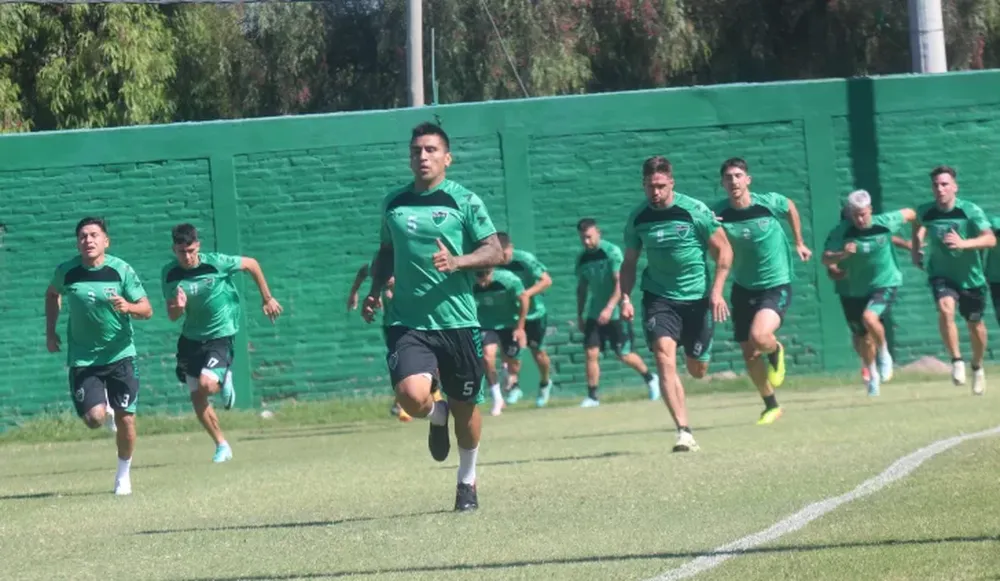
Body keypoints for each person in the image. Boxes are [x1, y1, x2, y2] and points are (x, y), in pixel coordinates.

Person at [361, 122, 505, 512]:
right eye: (416, 151)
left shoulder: (465, 200)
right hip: (407, 321)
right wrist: (374, 291)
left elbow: (495, 252)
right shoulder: (393, 203)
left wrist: (458, 261)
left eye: (430, 150)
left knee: (466, 411)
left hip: (458, 322)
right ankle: (433, 411)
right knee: (410, 396)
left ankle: (467, 480)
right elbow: (386, 252)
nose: (422, 157)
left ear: (447, 157)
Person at [620, 156, 733, 453]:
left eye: (660, 186)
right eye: (649, 186)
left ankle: (698, 355)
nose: (654, 192)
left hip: (697, 298)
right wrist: (625, 297)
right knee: (663, 355)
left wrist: (717, 292)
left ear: (671, 183)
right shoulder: (638, 217)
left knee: (697, 370)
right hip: (659, 297)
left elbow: (724, 251)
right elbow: (629, 262)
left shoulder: (694, 211)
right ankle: (684, 431)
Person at [45, 217, 153, 496]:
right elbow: (52, 293)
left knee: (127, 418)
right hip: (84, 359)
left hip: (121, 355)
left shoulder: (121, 270)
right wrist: (50, 330)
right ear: (77, 242)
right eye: (82, 236)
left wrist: (128, 306)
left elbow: (147, 309)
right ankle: (104, 409)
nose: (88, 240)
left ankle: (123, 476)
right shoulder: (67, 272)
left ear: (106, 241)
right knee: (94, 419)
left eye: (94, 235)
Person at [162, 224, 283, 463]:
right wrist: (178, 306)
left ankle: (223, 376)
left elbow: (251, 264)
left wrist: (267, 298)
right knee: (197, 396)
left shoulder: (216, 263)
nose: (186, 256)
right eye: (180, 252)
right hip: (190, 339)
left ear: (198, 246)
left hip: (220, 333)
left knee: (207, 384)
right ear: (173, 250)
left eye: (190, 250)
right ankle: (222, 445)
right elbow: (173, 316)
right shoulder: (170, 274)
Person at [710, 158, 812, 424]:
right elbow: (707, 234)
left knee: (760, 336)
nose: (734, 181)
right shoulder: (718, 213)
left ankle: (776, 349)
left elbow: (790, 206)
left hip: (775, 283)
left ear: (748, 180)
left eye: (738, 175)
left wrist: (799, 242)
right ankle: (771, 405)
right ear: (722, 183)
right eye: (728, 177)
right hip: (743, 288)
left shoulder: (768, 202)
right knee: (749, 352)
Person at [911, 166, 996, 395]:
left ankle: (977, 367)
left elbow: (989, 240)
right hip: (941, 274)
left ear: (954, 187)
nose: (940, 189)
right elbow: (917, 223)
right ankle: (956, 360)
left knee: (974, 324)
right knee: (945, 309)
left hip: (971, 278)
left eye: (944, 184)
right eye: (936, 185)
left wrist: (963, 244)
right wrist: (916, 247)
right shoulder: (926, 211)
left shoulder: (970, 211)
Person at [823, 191, 916, 396]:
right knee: (861, 338)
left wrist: (914, 244)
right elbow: (827, 261)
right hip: (852, 290)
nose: (860, 219)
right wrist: (840, 259)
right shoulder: (841, 232)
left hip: (884, 283)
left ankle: (885, 354)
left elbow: (910, 215)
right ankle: (871, 373)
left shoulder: (884, 222)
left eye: (863, 214)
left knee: (870, 317)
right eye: (855, 215)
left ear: (870, 211)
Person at [574, 218, 659, 407]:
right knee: (591, 353)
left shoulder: (611, 252)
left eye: (589, 237)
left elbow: (620, 283)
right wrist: (580, 315)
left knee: (624, 354)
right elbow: (582, 289)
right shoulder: (582, 258)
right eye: (582, 238)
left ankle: (651, 378)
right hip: (594, 314)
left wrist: (610, 307)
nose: (586, 242)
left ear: (598, 233)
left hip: (615, 313)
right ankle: (593, 396)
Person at [348, 261, 443, 422]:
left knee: (432, 363)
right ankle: (405, 404)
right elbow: (364, 271)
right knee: (404, 366)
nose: (390, 278)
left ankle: (430, 397)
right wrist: (354, 293)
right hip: (394, 329)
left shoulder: (413, 275)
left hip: (420, 326)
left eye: (393, 275)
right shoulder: (383, 274)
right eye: (388, 275)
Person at [495, 233, 554, 407]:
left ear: (510, 248)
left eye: (503, 253)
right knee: (509, 354)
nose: (501, 257)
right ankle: (514, 386)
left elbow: (546, 281)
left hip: (534, 315)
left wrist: (525, 295)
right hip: (510, 316)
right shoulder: (492, 264)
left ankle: (545, 383)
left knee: (538, 353)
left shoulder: (525, 260)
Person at [473, 267, 530, 416]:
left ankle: (510, 375)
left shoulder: (508, 280)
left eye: (484, 276)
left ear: (491, 271)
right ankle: (497, 398)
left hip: (509, 324)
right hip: (487, 325)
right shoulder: (470, 283)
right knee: (487, 357)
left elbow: (524, 298)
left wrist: (520, 327)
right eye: (478, 276)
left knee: (513, 361)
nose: (482, 281)